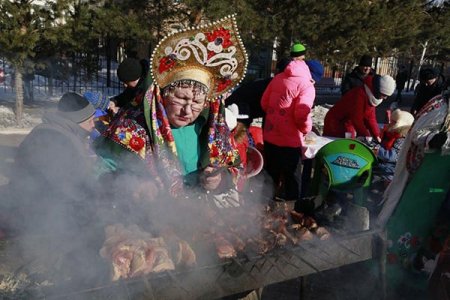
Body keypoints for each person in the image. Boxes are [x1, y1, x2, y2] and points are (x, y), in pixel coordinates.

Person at [96, 15, 248, 203]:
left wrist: (220, 179)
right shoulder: (132, 125)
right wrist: (130, 184)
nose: (188, 110)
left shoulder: (212, 127)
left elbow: (235, 170)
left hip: (194, 217)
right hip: (143, 220)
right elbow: (97, 168)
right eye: (181, 98)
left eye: (197, 102)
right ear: (163, 95)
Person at [377, 90, 450, 297]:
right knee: (411, 219)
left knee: (435, 224)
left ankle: (422, 267)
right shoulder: (439, 107)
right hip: (426, 179)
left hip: (442, 184)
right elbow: (417, 133)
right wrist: (435, 138)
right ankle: (389, 270)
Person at [261, 57, 315, 202]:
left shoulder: (278, 78)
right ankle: (291, 213)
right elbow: (301, 114)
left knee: (271, 175)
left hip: (271, 136)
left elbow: (264, 103)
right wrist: (306, 129)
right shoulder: (306, 86)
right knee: (292, 179)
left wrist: (275, 117)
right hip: (290, 141)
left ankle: (263, 209)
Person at [323, 74, 396, 142]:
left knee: (349, 144)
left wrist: (377, 135)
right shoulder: (359, 95)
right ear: (378, 90)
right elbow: (357, 119)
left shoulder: (371, 96)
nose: (385, 98)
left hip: (348, 123)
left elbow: (370, 118)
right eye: (384, 95)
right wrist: (366, 137)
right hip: (335, 123)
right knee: (337, 146)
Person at [374, 109, 414, 184]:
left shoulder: (402, 139)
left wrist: (375, 149)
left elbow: (391, 156)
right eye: (392, 120)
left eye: (394, 122)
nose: (391, 123)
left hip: (391, 169)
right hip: (383, 163)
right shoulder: (391, 133)